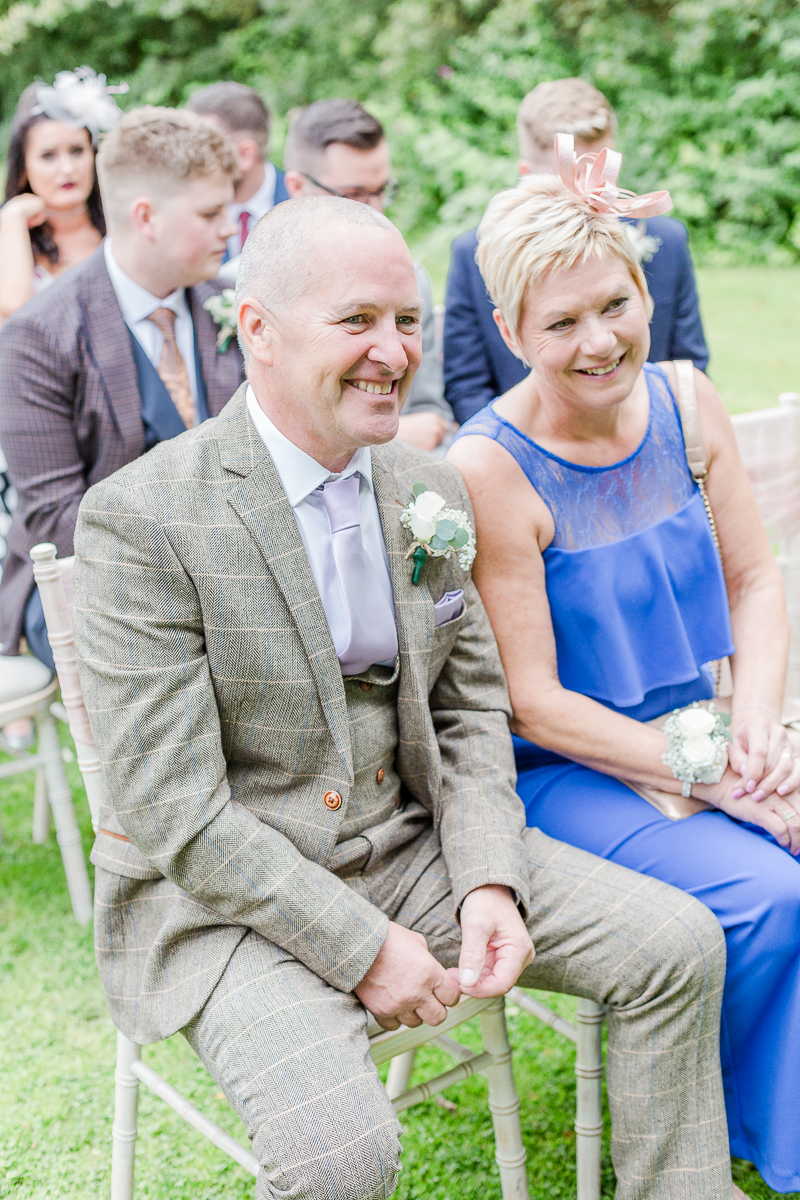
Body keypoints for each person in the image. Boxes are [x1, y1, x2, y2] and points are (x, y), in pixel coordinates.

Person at [72, 194, 733, 1200]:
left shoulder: (424, 484)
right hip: (223, 907)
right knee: (342, 1159)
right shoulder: (144, 520)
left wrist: (484, 881)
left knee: (674, 945)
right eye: (357, 322)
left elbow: (469, 712)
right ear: (256, 329)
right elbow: (173, 813)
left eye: (407, 321)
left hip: (411, 848)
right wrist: (361, 946)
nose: (394, 352)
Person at [447, 146, 800, 1196]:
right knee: (769, 896)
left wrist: (760, 735)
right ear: (510, 332)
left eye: (614, 304)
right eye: (559, 324)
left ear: (644, 289)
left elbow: (755, 580)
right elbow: (533, 699)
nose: (598, 340)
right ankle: (759, 1129)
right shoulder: (488, 467)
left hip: (707, 725)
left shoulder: (687, 401)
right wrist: (707, 772)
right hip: (571, 770)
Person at [0, 107, 244, 670]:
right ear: (146, 217)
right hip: (89, 587)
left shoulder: (233, 304)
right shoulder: (37, 336)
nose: (229, 228)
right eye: (210, 213)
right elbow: (58, 517)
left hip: (238, 576)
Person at [444, 78, 709, 424]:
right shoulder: (474, 253)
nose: (589, 198)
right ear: (528, 176)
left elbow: (689, 364)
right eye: (569, 178)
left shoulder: (668, 240)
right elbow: (467, 385)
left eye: (601, 175)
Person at [284, 98, 453, 453]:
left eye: (382, 192)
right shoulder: (240, 285)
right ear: (298, 187)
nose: (375, 211)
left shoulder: (411, 279)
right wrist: (396, 435)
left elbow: (428, 414)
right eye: (355, 195)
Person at [0, 67, 126, 322]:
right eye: (49, 156)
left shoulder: (121, 228)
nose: (68, 169)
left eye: (77, 151)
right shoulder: (10, 237)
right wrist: (12, 217)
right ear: (24, 168)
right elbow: (16, 312)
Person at [185, 80, 289, 279]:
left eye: (202, 147)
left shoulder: (301, 202)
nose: (189, 158)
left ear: (244, 155)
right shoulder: (185, 211)